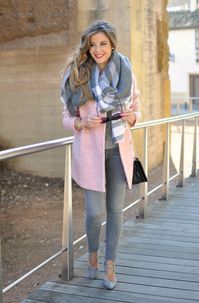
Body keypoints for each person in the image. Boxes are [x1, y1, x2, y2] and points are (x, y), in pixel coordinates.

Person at [60, 20, 140, 290]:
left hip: (119, 150)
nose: (97, 49)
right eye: (92, 44)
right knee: (95, 213)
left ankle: (110, 264)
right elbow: (66, 116)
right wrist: (80, 124)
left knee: (116, 210)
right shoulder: (77, 74)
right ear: (87, 46)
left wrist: (133, 117)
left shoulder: (126, 70)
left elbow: (136, 105)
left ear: (112, 44)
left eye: (103, 44)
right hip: (89, 153)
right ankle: (92, 254)